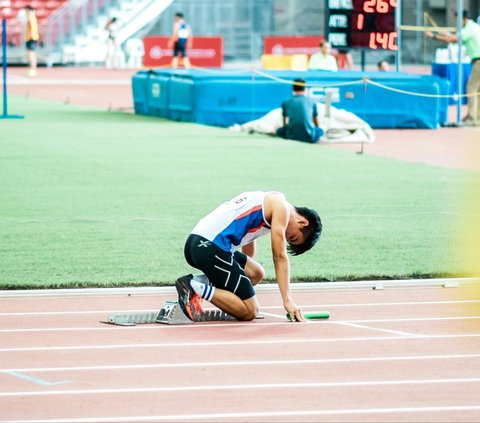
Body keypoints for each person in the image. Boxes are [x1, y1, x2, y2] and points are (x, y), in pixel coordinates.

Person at [175, 191, 322, 323]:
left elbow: (249, 240)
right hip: (210, 247)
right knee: (250, 311)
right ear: (302, 222)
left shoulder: (269, 200)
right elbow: (279, 256)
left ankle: (201, 282)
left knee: (256, 273)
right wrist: (287, 300)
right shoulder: (281, 208)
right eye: (293, 237)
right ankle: (193, 285)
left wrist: (239, 277)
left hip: (197, 243)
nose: (286, 238)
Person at [426, 10, 480, 126]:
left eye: (458, 20)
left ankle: (472, 118)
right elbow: (454, 36)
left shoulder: (470, 28)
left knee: (471, 89)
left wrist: (433, 36)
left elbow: (452, 39)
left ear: (463, 19)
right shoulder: (474, 27)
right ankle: (476, 116)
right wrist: (444, 35)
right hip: (477, 60)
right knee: (477, 90)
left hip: (478, 61)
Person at [276, 78, 323, 143]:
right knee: (319, 131)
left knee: (279, 131)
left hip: (291, 136)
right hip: (309, 138)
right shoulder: (312, 101)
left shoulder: (286, 102)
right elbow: (316, 122)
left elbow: (284, 121)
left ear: (292, 88)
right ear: (305, 88)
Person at [24, 5, 39, 77]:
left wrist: (31, 37)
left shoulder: (31, 16)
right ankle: (32, 69)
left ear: (28, 9)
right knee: (30, 54)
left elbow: (33, 28)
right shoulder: (31, 16)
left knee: (31, 54)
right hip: (31, 38)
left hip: (31, 38)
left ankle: (33, 69)